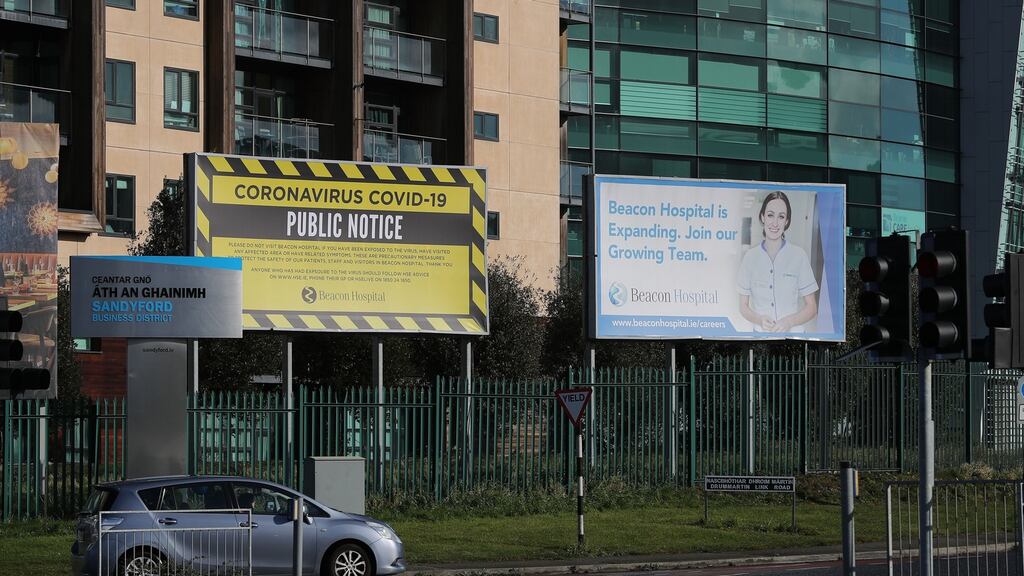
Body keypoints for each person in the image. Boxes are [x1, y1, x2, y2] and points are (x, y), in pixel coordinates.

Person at [736, 191, 818, 333]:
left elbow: (812, 308)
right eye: (770, 215)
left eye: (781, 217)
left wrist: (789, 322)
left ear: (786, 221)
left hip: (793, 339)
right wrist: (759, 319)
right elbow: (743, 306)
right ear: (762, 217)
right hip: (761, 337)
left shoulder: (799, 256)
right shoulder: (750, 257)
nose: (775, 223)